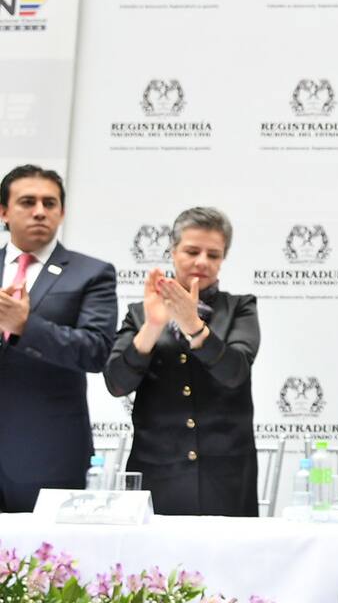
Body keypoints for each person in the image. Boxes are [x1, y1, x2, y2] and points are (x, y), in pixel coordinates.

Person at [104, 207, 261, 516]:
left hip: (226, 475)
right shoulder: (139, 313)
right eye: (192, 251)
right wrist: (152, 326)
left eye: (213, 255)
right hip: (157, 470)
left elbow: (235, 373)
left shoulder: (240, 308)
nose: (202, 261)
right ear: (173, 251)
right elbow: (117, 383)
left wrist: (194, 326)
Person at [0, 164, 118, 512]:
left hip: (48, 451)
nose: (40, 211)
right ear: (3, 211)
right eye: (27, 202)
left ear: (62, 213)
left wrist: (26, 326)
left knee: (44, 549)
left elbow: (96, 351)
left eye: (49, 203)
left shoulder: (91, 273)